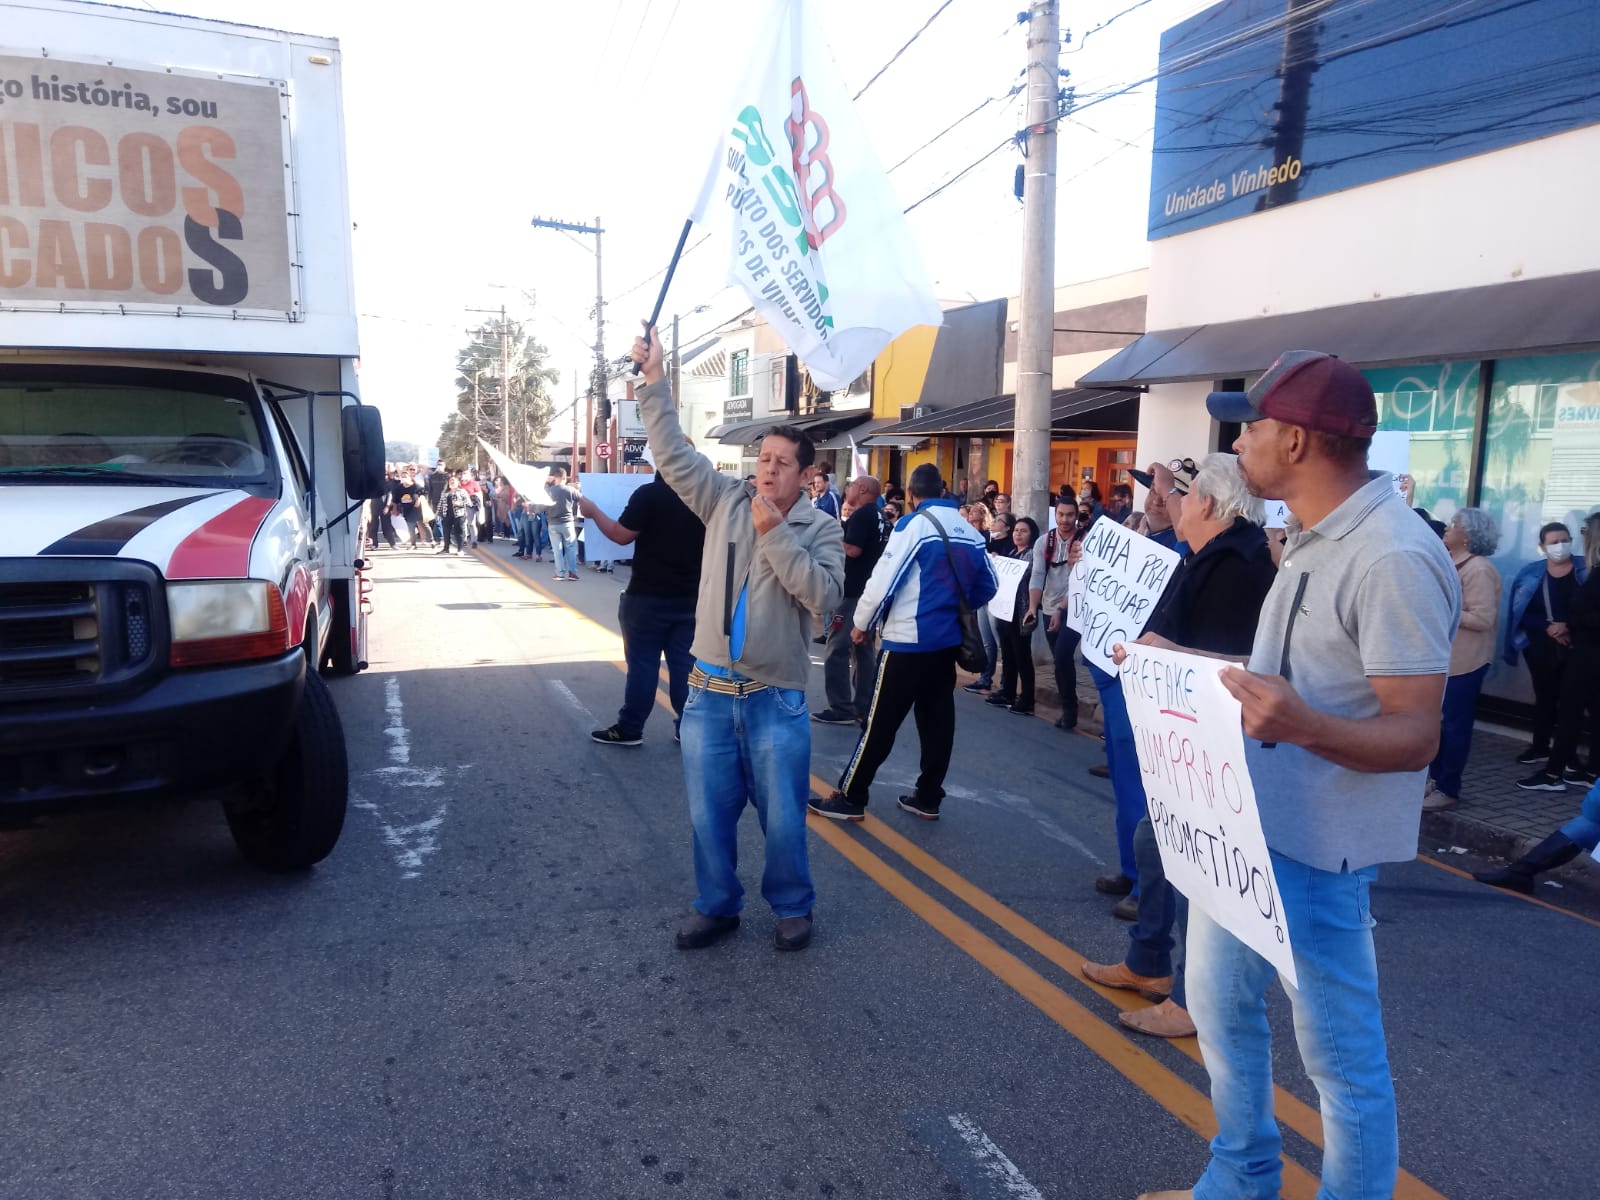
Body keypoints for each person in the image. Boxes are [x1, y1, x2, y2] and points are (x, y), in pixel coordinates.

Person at [1136, 351, 1461, 1200]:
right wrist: (1194, 672)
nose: (1239, 439)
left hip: (1319, 850)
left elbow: (1415, 733)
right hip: (1246, 829)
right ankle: (1241, 1175)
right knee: (1217, 1006)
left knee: (1342, 1068)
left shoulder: (1392, 555)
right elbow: (1295, 675)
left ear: (1300, 439)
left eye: (1253, 424)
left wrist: (1299, 723)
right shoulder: (1312, 536)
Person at [631, 325, 843, 953]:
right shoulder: (723, 498)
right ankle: (717, 905)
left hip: (775, 698)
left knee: (783, 820)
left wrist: (776, 532)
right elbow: (671, 453)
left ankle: (792, 907)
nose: (767, 469)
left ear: (805, 475)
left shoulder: (818, 528)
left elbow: (824, 597)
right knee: (707, 817)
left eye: (781, 463)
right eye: (763, 459)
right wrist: (654, 384)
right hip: (708, 692)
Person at [1084, 453, 1276, 1041]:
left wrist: (1155, 653)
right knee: (1154, 841)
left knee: (1202, 870)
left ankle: (1192, 999)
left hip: (1213, 747)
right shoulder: (1214, 556)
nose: (1174, 504)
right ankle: (1148, 965)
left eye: (1184, 497)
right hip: (1188, 741)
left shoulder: (1236, 566)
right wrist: (1151, 646)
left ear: (1210, 506)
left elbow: (1225, 664)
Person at [809, 464, 998, 822]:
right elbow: (989, 585)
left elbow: (883, 579)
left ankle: (852, 795)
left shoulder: (913, 525)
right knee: (937, 724)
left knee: (880, 724)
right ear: (943, 490)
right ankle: (928, 797)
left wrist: (861, 624)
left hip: (907, 642)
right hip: (946, 646)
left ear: (911, 494)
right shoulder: (970, 532)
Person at [1079, 460, 1193, 899]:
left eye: (1164, 495)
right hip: (1114, 675)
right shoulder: (1141, 537)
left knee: (1145, 788)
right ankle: (1133, 869)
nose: (1154, 501)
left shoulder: (1185, 550)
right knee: (1127, 783)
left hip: (1146, 681)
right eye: (1151, 492)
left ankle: (1150, 886)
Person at [581, 452, 706, 748]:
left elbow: (621, 535)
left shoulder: (649, 495)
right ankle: (687, 726)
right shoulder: (703, 501)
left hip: (646, 598)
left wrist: (594, 511)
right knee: (684, 667)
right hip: (691, 598)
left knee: (643, 666)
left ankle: (630, 728)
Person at [1423, 508, 1503, 809]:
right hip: (1443, 659)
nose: (1446, 527)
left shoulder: (1478, 569)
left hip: (1465, 661)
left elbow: (1483, 618)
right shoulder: (1452, 562)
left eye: (1454, 524)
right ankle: (1435, 779)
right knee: (1437, 724)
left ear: (1467, 535)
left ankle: (1448, 787)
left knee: (1454, 726)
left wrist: (1441, 609)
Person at [1504, 522, 1587, 773]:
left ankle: (1567, 754)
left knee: (1571, 702)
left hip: (1577, 646)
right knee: (1544, 697)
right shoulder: (1531, 573)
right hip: (1540, 645)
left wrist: (1568, 626)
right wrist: (1547, 626)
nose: (1560, 546)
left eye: (1564, 539)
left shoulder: (1586, 570)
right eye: (1553, 542)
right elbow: (1520, 613)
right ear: (1542, 547)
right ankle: (1540, 746)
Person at [1526, 512, 1600, 791]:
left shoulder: (1591, 572)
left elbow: (1591, 615)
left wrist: (1572, 622)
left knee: (1569, 713)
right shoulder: (1591, 571)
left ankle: (1554, 774)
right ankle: (1591, 771)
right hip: (1583, 653)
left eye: (1582, 533)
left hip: (1587, 656)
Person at [815, 475, 885, 726]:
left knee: (836, 647)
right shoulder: (878, 516)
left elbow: (853, 550)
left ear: (863, 489)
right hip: (868, 592)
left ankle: (842, 707)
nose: (849, 489)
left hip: (852, 593)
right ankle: (864, 706)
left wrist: (833, 540)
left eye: (853, 485)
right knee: (863, 649)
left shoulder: (862, 515)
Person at [1027, 497, 1083, 731]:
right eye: (1061, 514)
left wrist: (1063, 608)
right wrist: (1032, 607)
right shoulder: (1044, 542)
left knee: (1062, 655)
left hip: (1076, 608)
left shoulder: (1084, 541)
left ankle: (1071, 710)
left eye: (1070, 515)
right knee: (1060, 663)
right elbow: (1038, 575)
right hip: (1049, 608)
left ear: (1076, 516)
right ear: (1056, 515)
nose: (1065, 519)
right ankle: (1066, 705)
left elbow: (1081, 580)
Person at [986, 515, 1041, 716]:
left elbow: (1030, 577)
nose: (1018, 534)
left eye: (1023, 531)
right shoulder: (1010, 552)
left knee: (1022, 656)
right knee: (1008, 653)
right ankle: (1007, 692)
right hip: (1005, 611)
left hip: (1021, 612)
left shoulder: (1032, 555)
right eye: (1016, 530)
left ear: (1031, 534)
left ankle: (1027, 699)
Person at [545, 466, 582, 582]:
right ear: (565, 478)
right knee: (571, 547)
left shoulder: (549, 491)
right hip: (568, 522)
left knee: (557, 549)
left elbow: (542, 506)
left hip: (553, 523)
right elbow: (582, 501)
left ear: (555, 478)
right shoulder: (571, 490)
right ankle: (572, 572)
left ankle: (560, 573)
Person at [435, 473, 471, 554]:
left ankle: (460, 549)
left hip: (459, 515)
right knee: (446, 532)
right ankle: (446, 549)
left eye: (454, 481)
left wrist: (460, 503)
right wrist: (437, 513)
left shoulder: (462, 491)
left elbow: (469, 503)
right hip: (447, 515)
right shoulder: (445, 492)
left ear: (458, 482)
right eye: (450, 481)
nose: (452, 482)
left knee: (459, 532)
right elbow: (440, 504)